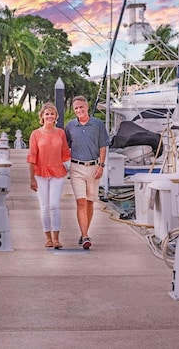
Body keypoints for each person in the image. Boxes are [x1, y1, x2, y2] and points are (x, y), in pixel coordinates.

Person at [65, 96, 110, 250]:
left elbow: (103, 146)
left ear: (87, 107)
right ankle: (85, 236)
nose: (79, 110)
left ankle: (85, 231)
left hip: (94, 166)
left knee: (90, 201)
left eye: (81, 107)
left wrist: (101, 166)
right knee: (81, 201)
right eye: (76, 108)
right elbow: (65, 147)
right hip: (76, 167)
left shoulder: (97, 124)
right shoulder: (70, 126)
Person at [27, 102, 71, 249]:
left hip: (58, 172)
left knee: (54, 205)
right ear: (42, 116)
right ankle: (48, 238)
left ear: (56, 116)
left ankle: (57, 238)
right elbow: (32, 157)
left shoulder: (61, 133)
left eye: (52, 113)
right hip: (40, 173)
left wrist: (71, 168)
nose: (49, 116)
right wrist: (32, 178)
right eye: (47, 114)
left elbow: (65, 152)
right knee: (44, 206)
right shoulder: (36, 134)